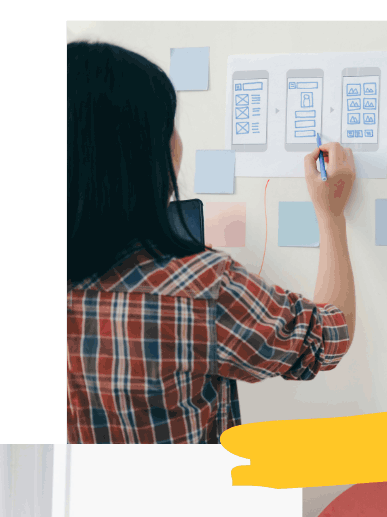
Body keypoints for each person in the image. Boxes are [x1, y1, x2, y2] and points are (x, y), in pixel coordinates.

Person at [67, 42, 356, 444]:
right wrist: (331, 214)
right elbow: (328, 338)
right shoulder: (201, 289)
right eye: (170, 125)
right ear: (140, 153)